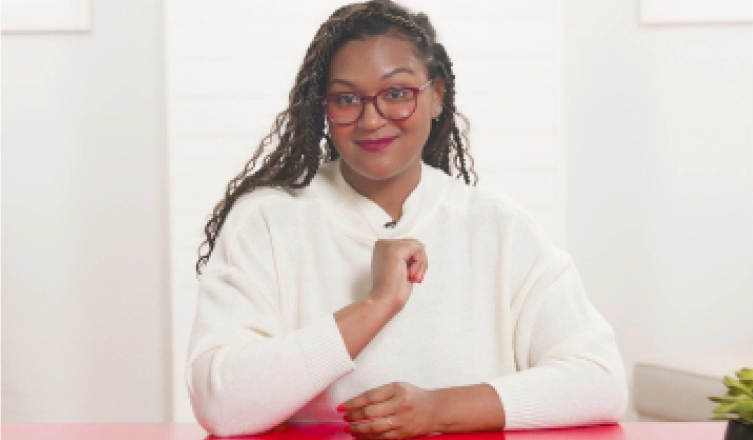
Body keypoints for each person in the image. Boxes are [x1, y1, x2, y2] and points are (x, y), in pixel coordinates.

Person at [185, 0, 628, 438]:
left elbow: (599, 378)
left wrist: (439, 410)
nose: (371, 119)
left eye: (397, 93)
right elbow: (221, 403)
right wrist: (377, 305)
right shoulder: (266, 222)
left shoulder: (498, 226)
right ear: (324, 110)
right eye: (346, 99)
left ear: (436, 95)